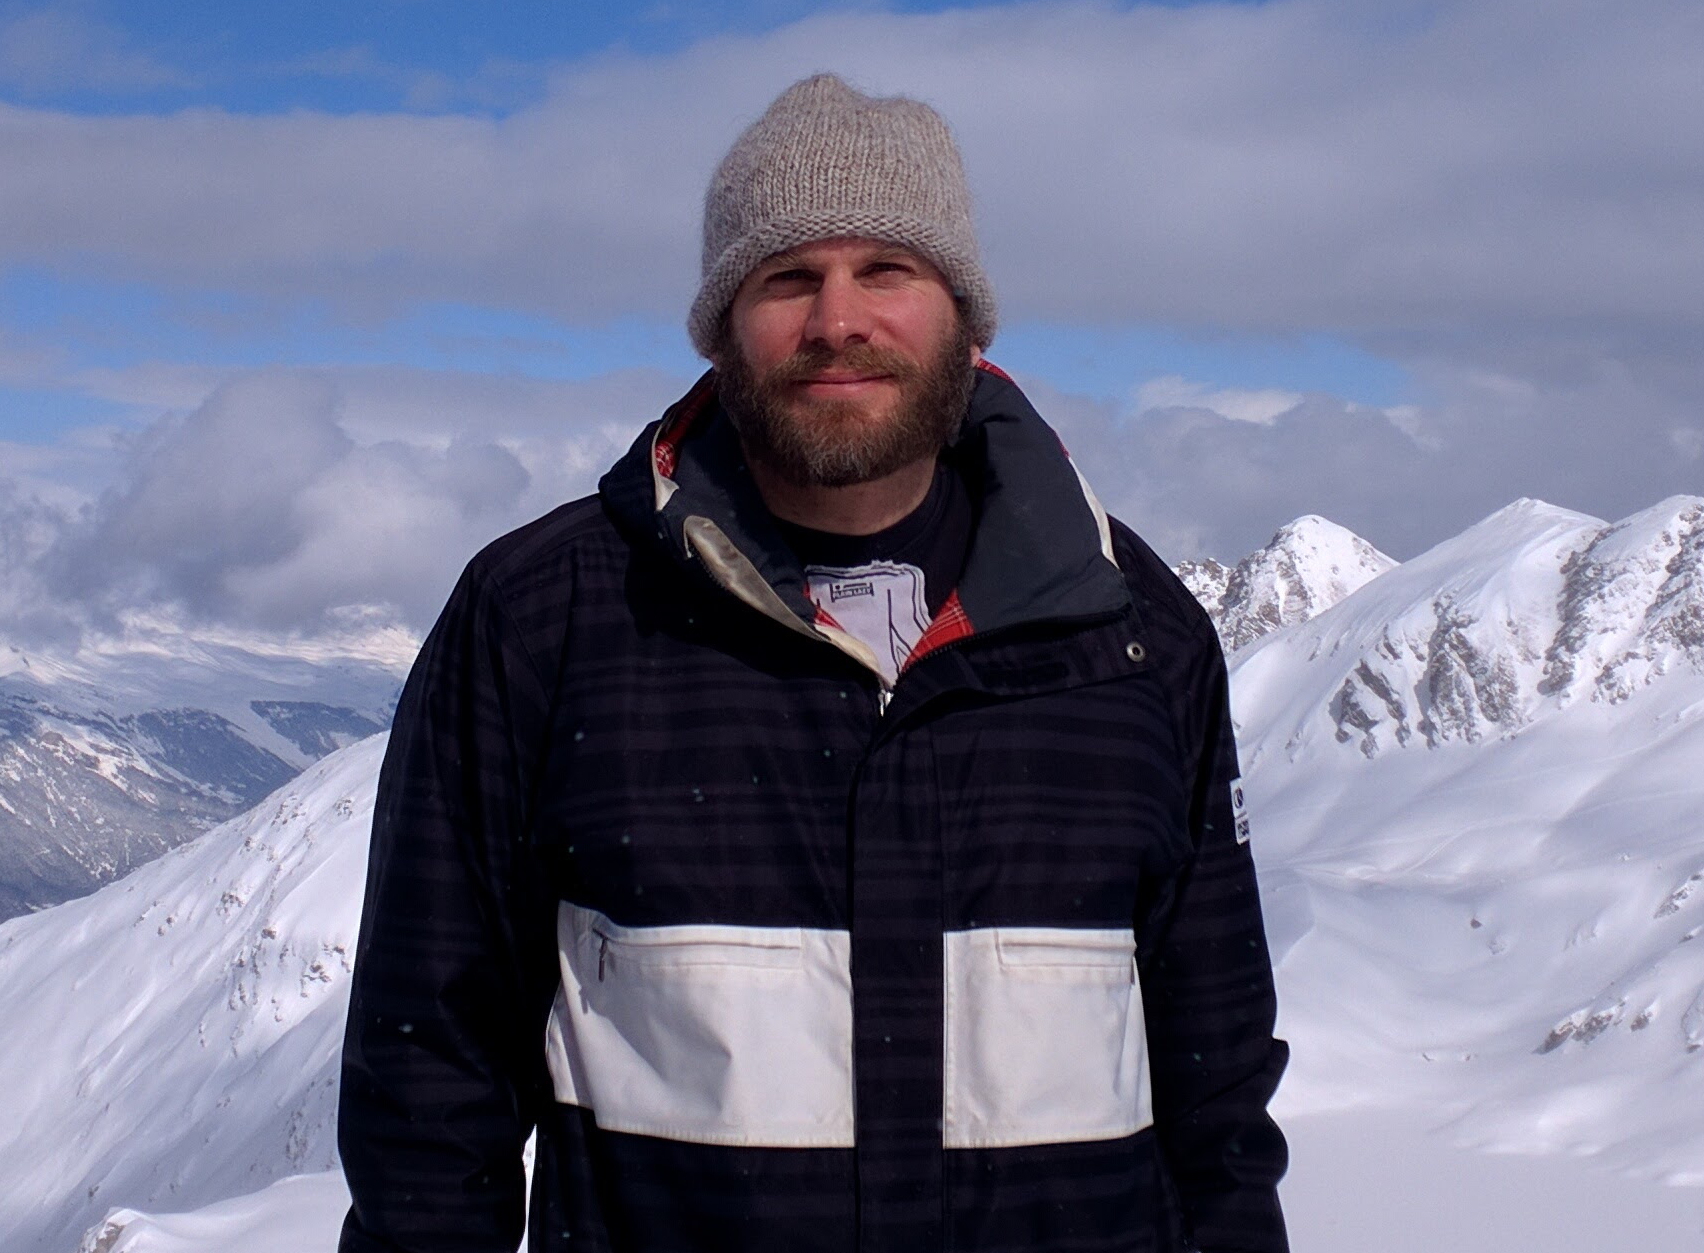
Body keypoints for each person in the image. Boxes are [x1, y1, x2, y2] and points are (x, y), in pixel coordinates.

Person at [338, 73, 1290, 1253]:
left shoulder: (1128, 637)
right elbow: (427, 1086)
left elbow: (1218, 1098)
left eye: (886, 270)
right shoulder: (546, 622)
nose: (837, 318)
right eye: (788, 277)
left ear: (965, 315)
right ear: (724, 324)